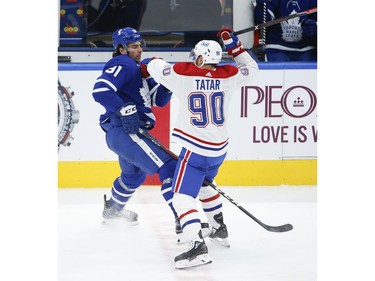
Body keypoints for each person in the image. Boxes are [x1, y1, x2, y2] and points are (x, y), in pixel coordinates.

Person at [146, 29, 259, 269]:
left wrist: (150, 61)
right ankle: (218, 228)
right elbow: (252, 68)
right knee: (205, 187)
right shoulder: (229, 75)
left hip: (195, 150)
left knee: (182, 198)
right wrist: (234, 46)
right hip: (219, 150)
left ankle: (196, 246)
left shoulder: (181, 74)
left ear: (198, 58)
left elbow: (155, 65)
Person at [91, 27, 180, 230]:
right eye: (133, 46)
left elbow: (159, 100)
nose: (139, 50)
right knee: (170, 169)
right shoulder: (123, 64)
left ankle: (113, 209)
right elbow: (100, 90)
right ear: (122, 49)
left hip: (125, 134)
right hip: (125, 131)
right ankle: (184, 221)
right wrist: (124, 108)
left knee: (133, 176)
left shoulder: (138, 69)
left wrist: (167, 80)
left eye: (140, 45)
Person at [253, 0, 317, 62]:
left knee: (309, 66)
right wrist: (262, 6)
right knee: (277, 64)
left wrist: (316, 27)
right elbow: (263, 21)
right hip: (275, 48)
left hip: (307, 49)